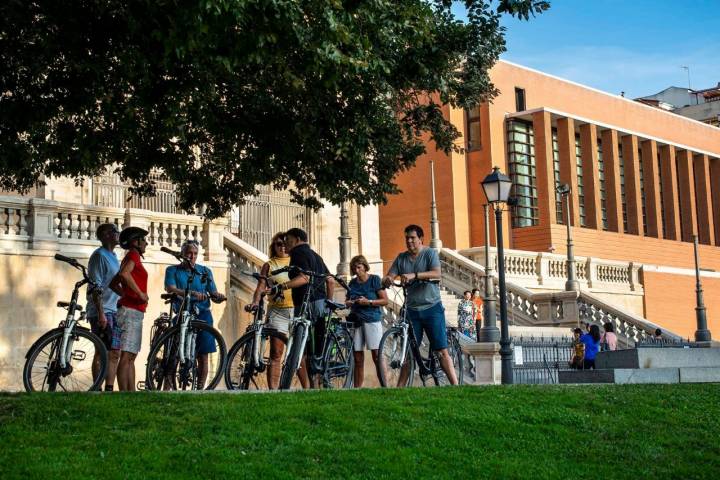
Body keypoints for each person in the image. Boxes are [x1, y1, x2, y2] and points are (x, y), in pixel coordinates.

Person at [382, 224, 458, 386]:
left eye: (412, 238)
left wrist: (415, 275)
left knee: (441, 351)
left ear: (420, 239)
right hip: (411, 310)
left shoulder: (429, 253)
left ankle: (456, 386)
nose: (409, 241)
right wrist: (387, 279)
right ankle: (399, 390)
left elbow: (437, 273)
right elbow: (390, 275)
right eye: (407, 238)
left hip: (432, 308)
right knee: (408, 352)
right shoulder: (401, 258)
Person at [273, 227, 334, 387]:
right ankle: (317, 381)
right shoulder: (316, 256)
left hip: (304, 303)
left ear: (298, 239)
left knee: (303, 347)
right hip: (320, 303)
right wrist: (329, 301)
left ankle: (306, 382)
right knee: (317, 347)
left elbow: (304, 278)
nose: (285, 243)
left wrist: (282, 286)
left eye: (288, 239)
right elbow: (330, 280)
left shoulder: (298, 253)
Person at [164, 239, 226, 389]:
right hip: (182, 313)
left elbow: (212, 292)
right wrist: (188, 293)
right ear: (183, 254)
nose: (192, 256)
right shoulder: (172, 270)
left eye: (195, 254)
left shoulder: (205, 271)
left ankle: (199, 389)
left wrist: (217, 296)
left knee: (203, 355)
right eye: (189, 253)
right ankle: (168, 386)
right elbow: (170, 288)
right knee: (174, 354)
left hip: (203, 314)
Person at [246, 232, 295, 389]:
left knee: (299, 353)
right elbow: (261, 286)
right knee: (276, 353)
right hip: (277, 311)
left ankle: (307, 388)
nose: (282, 247)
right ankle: (273, 390)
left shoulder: (295, 261)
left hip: (296, 309)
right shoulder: (269, 264)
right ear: (273, 246)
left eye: (284, 243)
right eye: (278, 244)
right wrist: (255, 301)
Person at [111, 226, 149, 392]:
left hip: (130, 309)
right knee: (126, 356)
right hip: (131, 311)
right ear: (136, 241)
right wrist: (139, 294)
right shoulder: (133, 255)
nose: (146, 243)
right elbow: (125, 274)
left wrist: (126, 294)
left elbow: (114, 283)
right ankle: (124, 393)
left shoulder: (129, 257)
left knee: (131, 355)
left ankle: (131, 393)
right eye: (144, 239)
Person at [86, 223, 122, 391]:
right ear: (106, 235)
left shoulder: (114, 256)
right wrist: (100, 313)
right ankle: (97, 388)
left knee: (114, 351)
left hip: (113, 310)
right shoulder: (99, 256)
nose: (118, 233)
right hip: (102, 311)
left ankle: (109, 388)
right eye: (114, 231)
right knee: (102, 350)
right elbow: (95, 286)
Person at [345, 255, 388, 388]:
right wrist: (349, 302)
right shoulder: (352, 283)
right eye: (354, 268)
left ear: (364, 266)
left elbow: (384, 300)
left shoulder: (374, 279)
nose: (357, 270)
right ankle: (357, 388)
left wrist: (368, 301)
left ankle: (385, 386)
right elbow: (347, 300)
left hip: (372, 320)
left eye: (359, 267)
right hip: (356, 321)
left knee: (376, 356)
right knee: (357, 357)